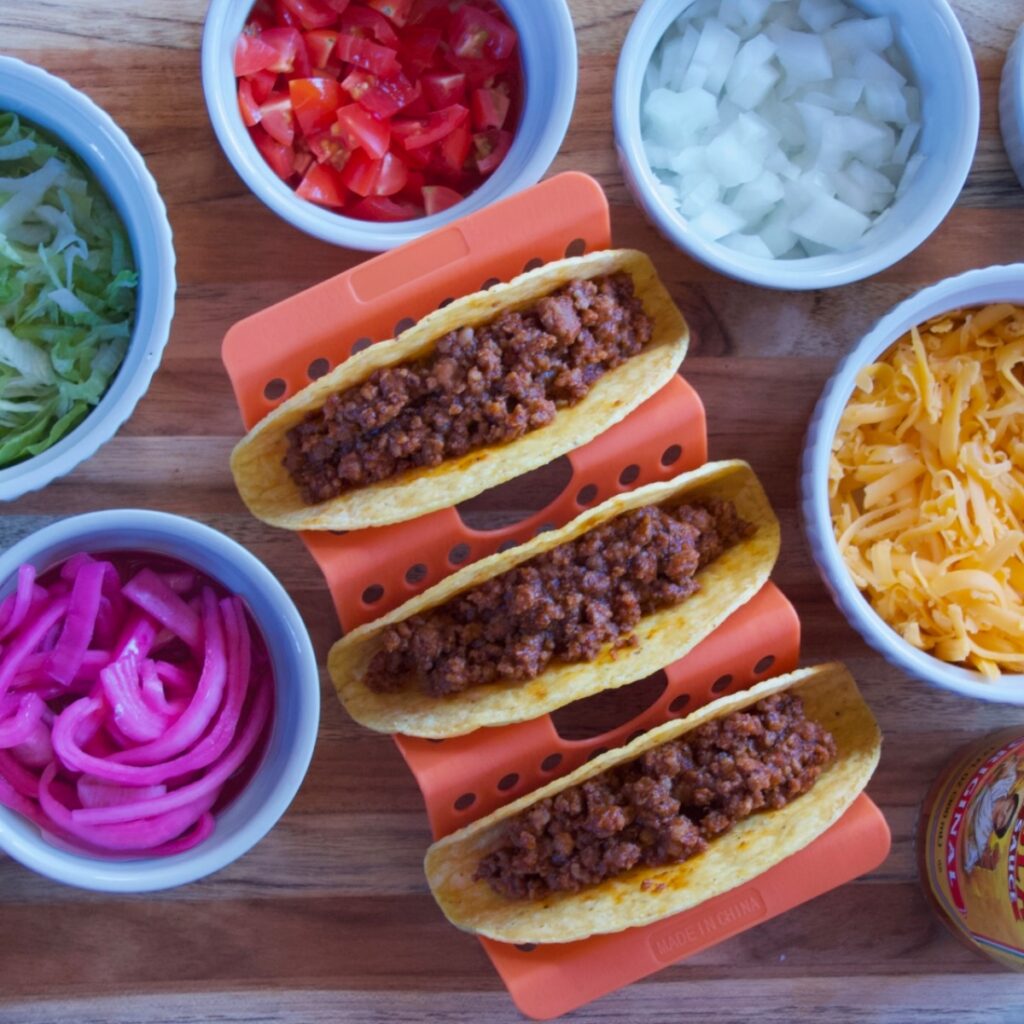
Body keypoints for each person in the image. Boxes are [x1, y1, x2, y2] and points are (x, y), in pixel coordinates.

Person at [963, 757, 1022, 874]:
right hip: (967, 770)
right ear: (1010, 798)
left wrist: (979, 860)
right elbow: (1011, 763)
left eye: (1003, 820)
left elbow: (969, 857)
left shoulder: (983, 830)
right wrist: (1011, 763)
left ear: (997, 826)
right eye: (1009, 808)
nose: (1003, 812)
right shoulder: (1003, 787)